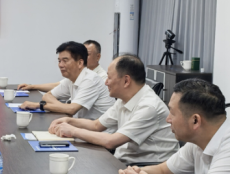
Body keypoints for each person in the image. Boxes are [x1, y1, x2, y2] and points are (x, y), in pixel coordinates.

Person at [49, 54, 178, 165]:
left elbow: (111, 142)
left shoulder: (148, 106)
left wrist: (73, 130)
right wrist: (68, 121)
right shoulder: (124, 99)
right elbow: (96, 125)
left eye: (109, 78)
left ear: (126, 81)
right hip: (123, 163)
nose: (106, 82)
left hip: (146, 170)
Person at [19, 41, 114, 120]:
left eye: (65, 60)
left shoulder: (90, 79)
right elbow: (47, 96)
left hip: (99, 133)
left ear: (80, 63)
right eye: (59, 61)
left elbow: (72, 109)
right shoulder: (71, 78)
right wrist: (63, 108)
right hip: (82, 127)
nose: (60, 65)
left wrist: (40, 105)